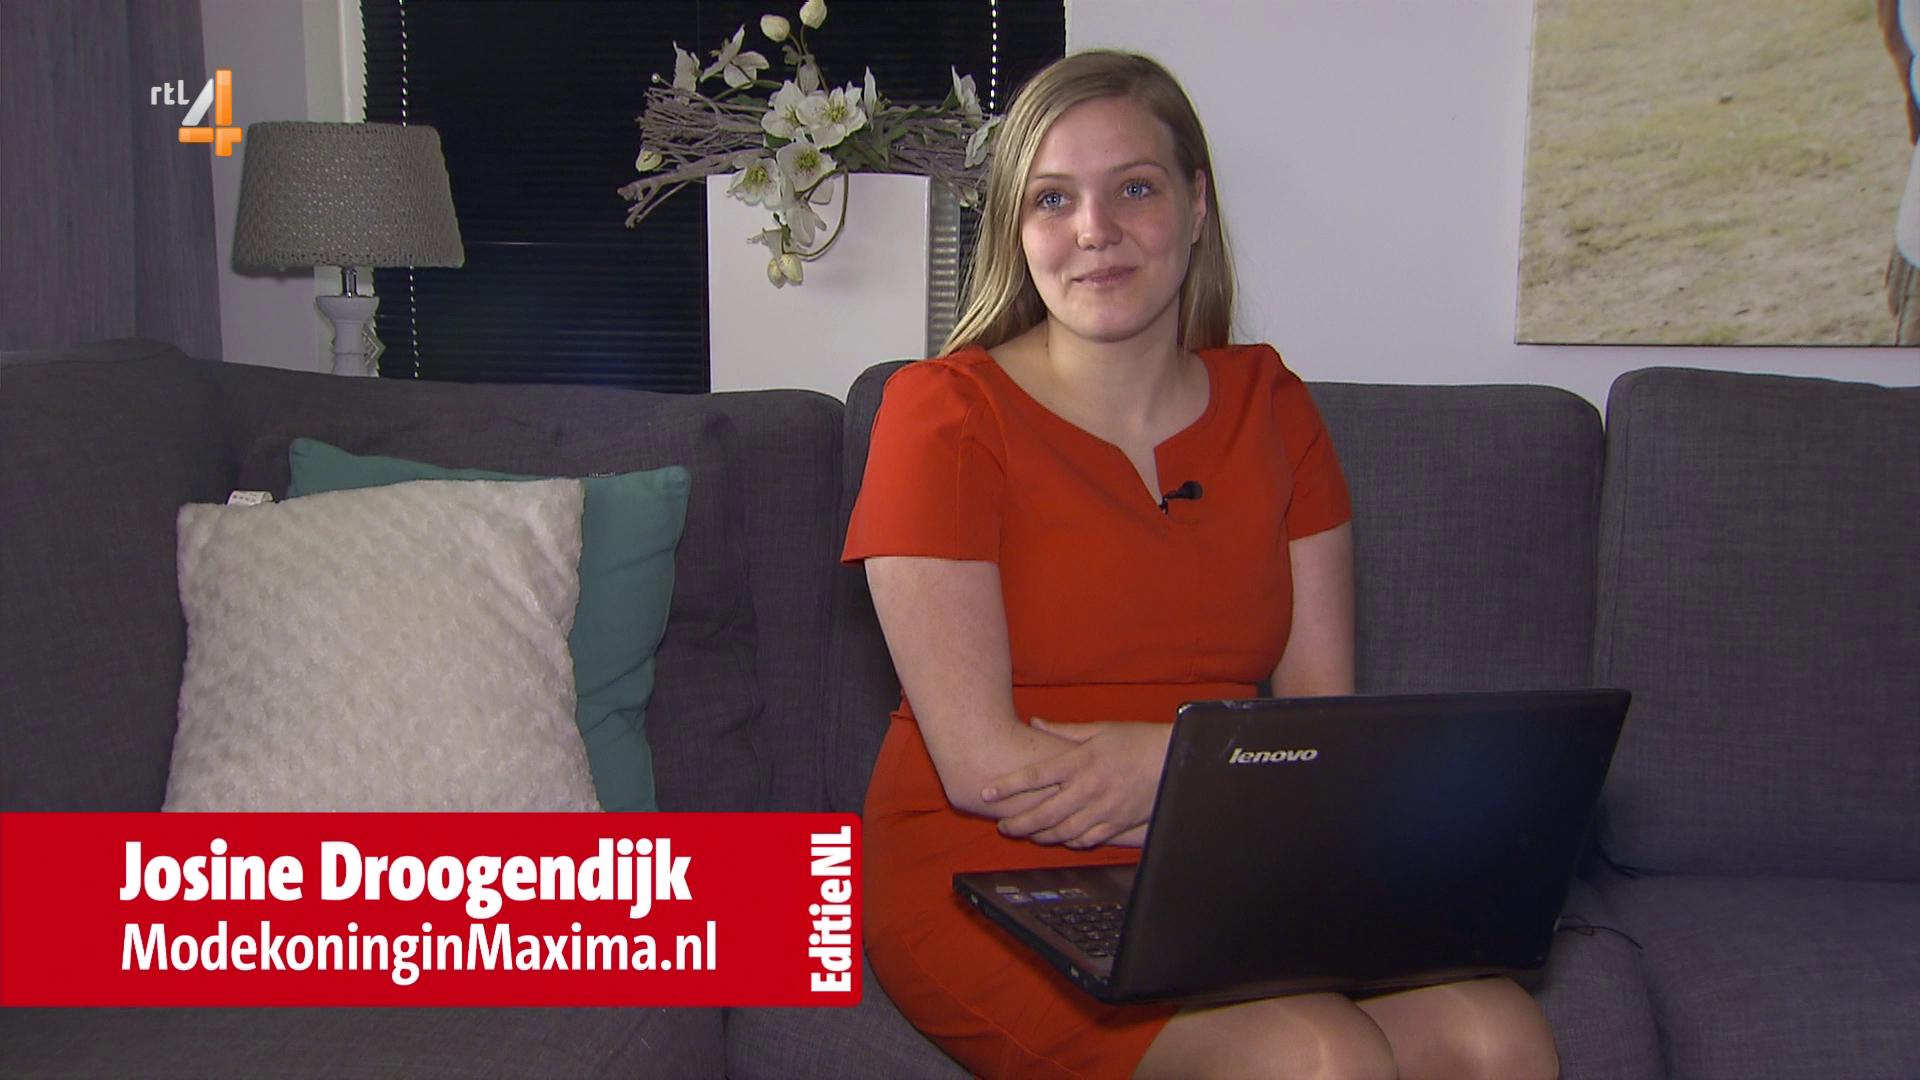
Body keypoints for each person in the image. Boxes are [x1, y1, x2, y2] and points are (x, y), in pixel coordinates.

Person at [842, 50, 1560, 1079]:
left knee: (1501, 1034)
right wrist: (1212, 773)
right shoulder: (941, 414)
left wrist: (1165, 768)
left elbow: (1323, 740)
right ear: (1016, 228)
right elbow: (984, 765)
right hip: (987, 868)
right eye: (1053, 198)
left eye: (1135, 188)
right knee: (1319, 1056)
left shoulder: (1274, 407)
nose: (1095, 229)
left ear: (1196, 206)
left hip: (1222, 860)